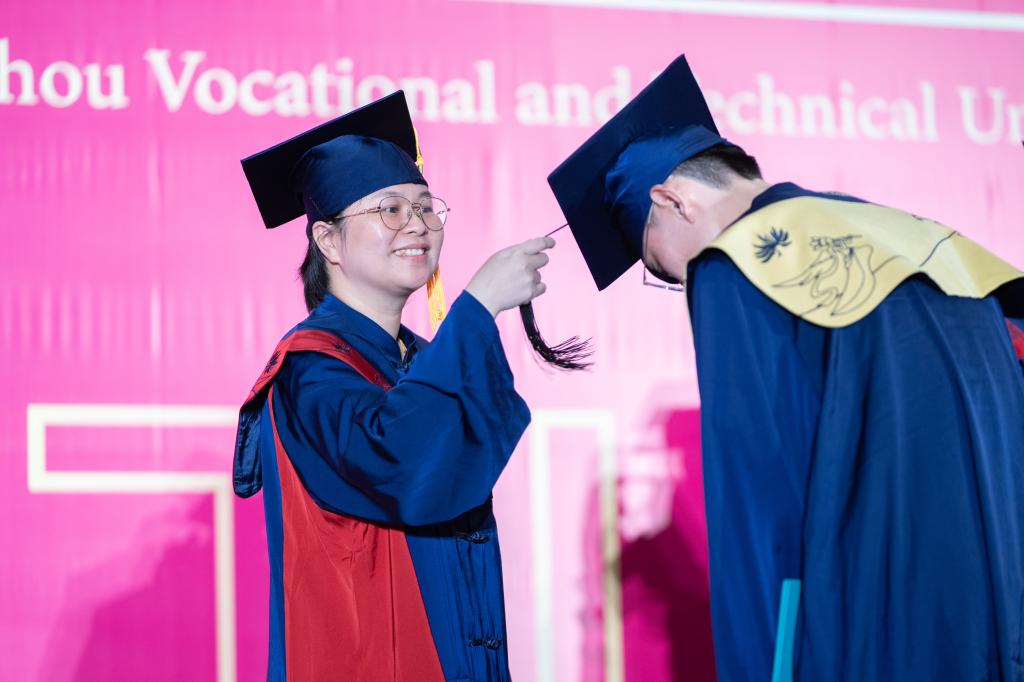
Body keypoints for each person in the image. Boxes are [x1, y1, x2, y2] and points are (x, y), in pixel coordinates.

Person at [548, 55, 1024, 681]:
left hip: (879, 624)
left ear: (672, 200)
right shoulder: (917, 237)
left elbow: (759, 511)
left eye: (660, 266)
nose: (679, 281)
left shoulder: (734, 267)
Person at [233, 92, 553, 681]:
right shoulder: (310, 370)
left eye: (426, 207)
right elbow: (401, 460)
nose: (418, 224)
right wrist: (477, 306)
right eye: (390, 209)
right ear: (328, 242)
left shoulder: (420, 361)